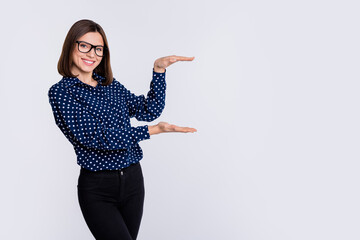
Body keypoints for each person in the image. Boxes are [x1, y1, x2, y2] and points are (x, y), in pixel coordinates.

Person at [47, 19, 197, 240]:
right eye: (84, 46)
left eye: (98, 49)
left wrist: (159, 70)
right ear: (71, 45)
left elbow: (148, 110)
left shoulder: (110, 85)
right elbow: (96, 138)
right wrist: (151, 131)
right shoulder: (61, 93)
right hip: (98, 188)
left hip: (133, 181)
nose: (92, 54)